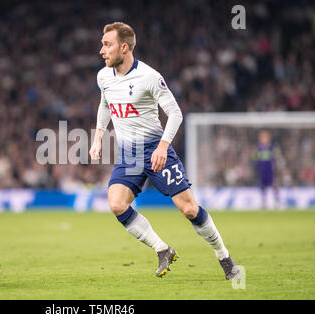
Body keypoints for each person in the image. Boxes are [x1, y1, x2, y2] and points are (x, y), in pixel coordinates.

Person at [89, 22, 240, 280]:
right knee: (116, 204)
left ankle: (225, 258)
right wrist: (99, 135)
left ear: (124, 47)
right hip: (129, 154)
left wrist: (162, 146)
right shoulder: (104, 76)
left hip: (155, 149)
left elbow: (175, 113)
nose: (101, 50)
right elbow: (105, 105)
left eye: (107, 44)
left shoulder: (149, 77)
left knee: (189, 209)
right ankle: (162, 249)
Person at [254, 130, 280, 209]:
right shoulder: (258, 147)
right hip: (262, 169)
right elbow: (255, 157)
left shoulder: (272, 146)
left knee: (274, 185)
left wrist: (275, 165)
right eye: (262, 137)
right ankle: (264, 204)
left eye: (265, 136)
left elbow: (277, 156)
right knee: (263, 186)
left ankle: (277, 203)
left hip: (270, 169)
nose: (263, 138)